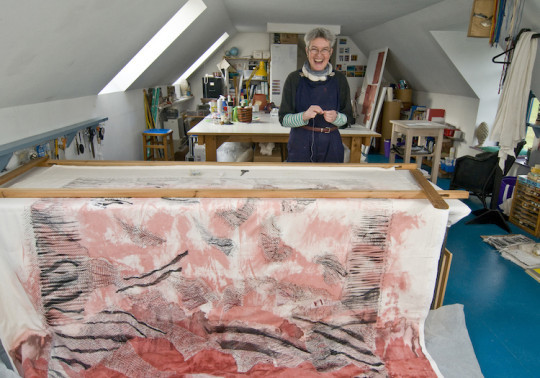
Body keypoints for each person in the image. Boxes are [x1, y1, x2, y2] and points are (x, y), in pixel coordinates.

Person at [279, 27, 354, 163]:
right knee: (299, 182)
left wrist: (336, 118)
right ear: (307, 51)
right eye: (314, 49)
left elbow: (348, 118)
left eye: (324, 49)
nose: (319, 55)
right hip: (300, 142)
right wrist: (303, 116)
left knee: (330, 183)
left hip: (331, 144)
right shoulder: (294, 78)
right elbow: (284, 119)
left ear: (330, 52)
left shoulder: (339, 79)